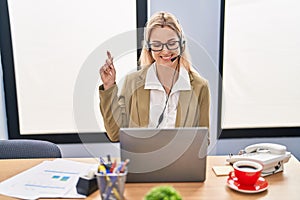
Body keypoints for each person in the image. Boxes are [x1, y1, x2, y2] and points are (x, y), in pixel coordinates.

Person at [99, 11, 210, 142]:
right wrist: (108, 86)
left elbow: (203, 140)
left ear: (181, 44)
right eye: (157, 45)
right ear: (149, 48)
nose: (165, 51)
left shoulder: (199, 86)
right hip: (141, 161)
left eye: (171, 43)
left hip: (181, 161)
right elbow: (115, 133)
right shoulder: (133, 82)